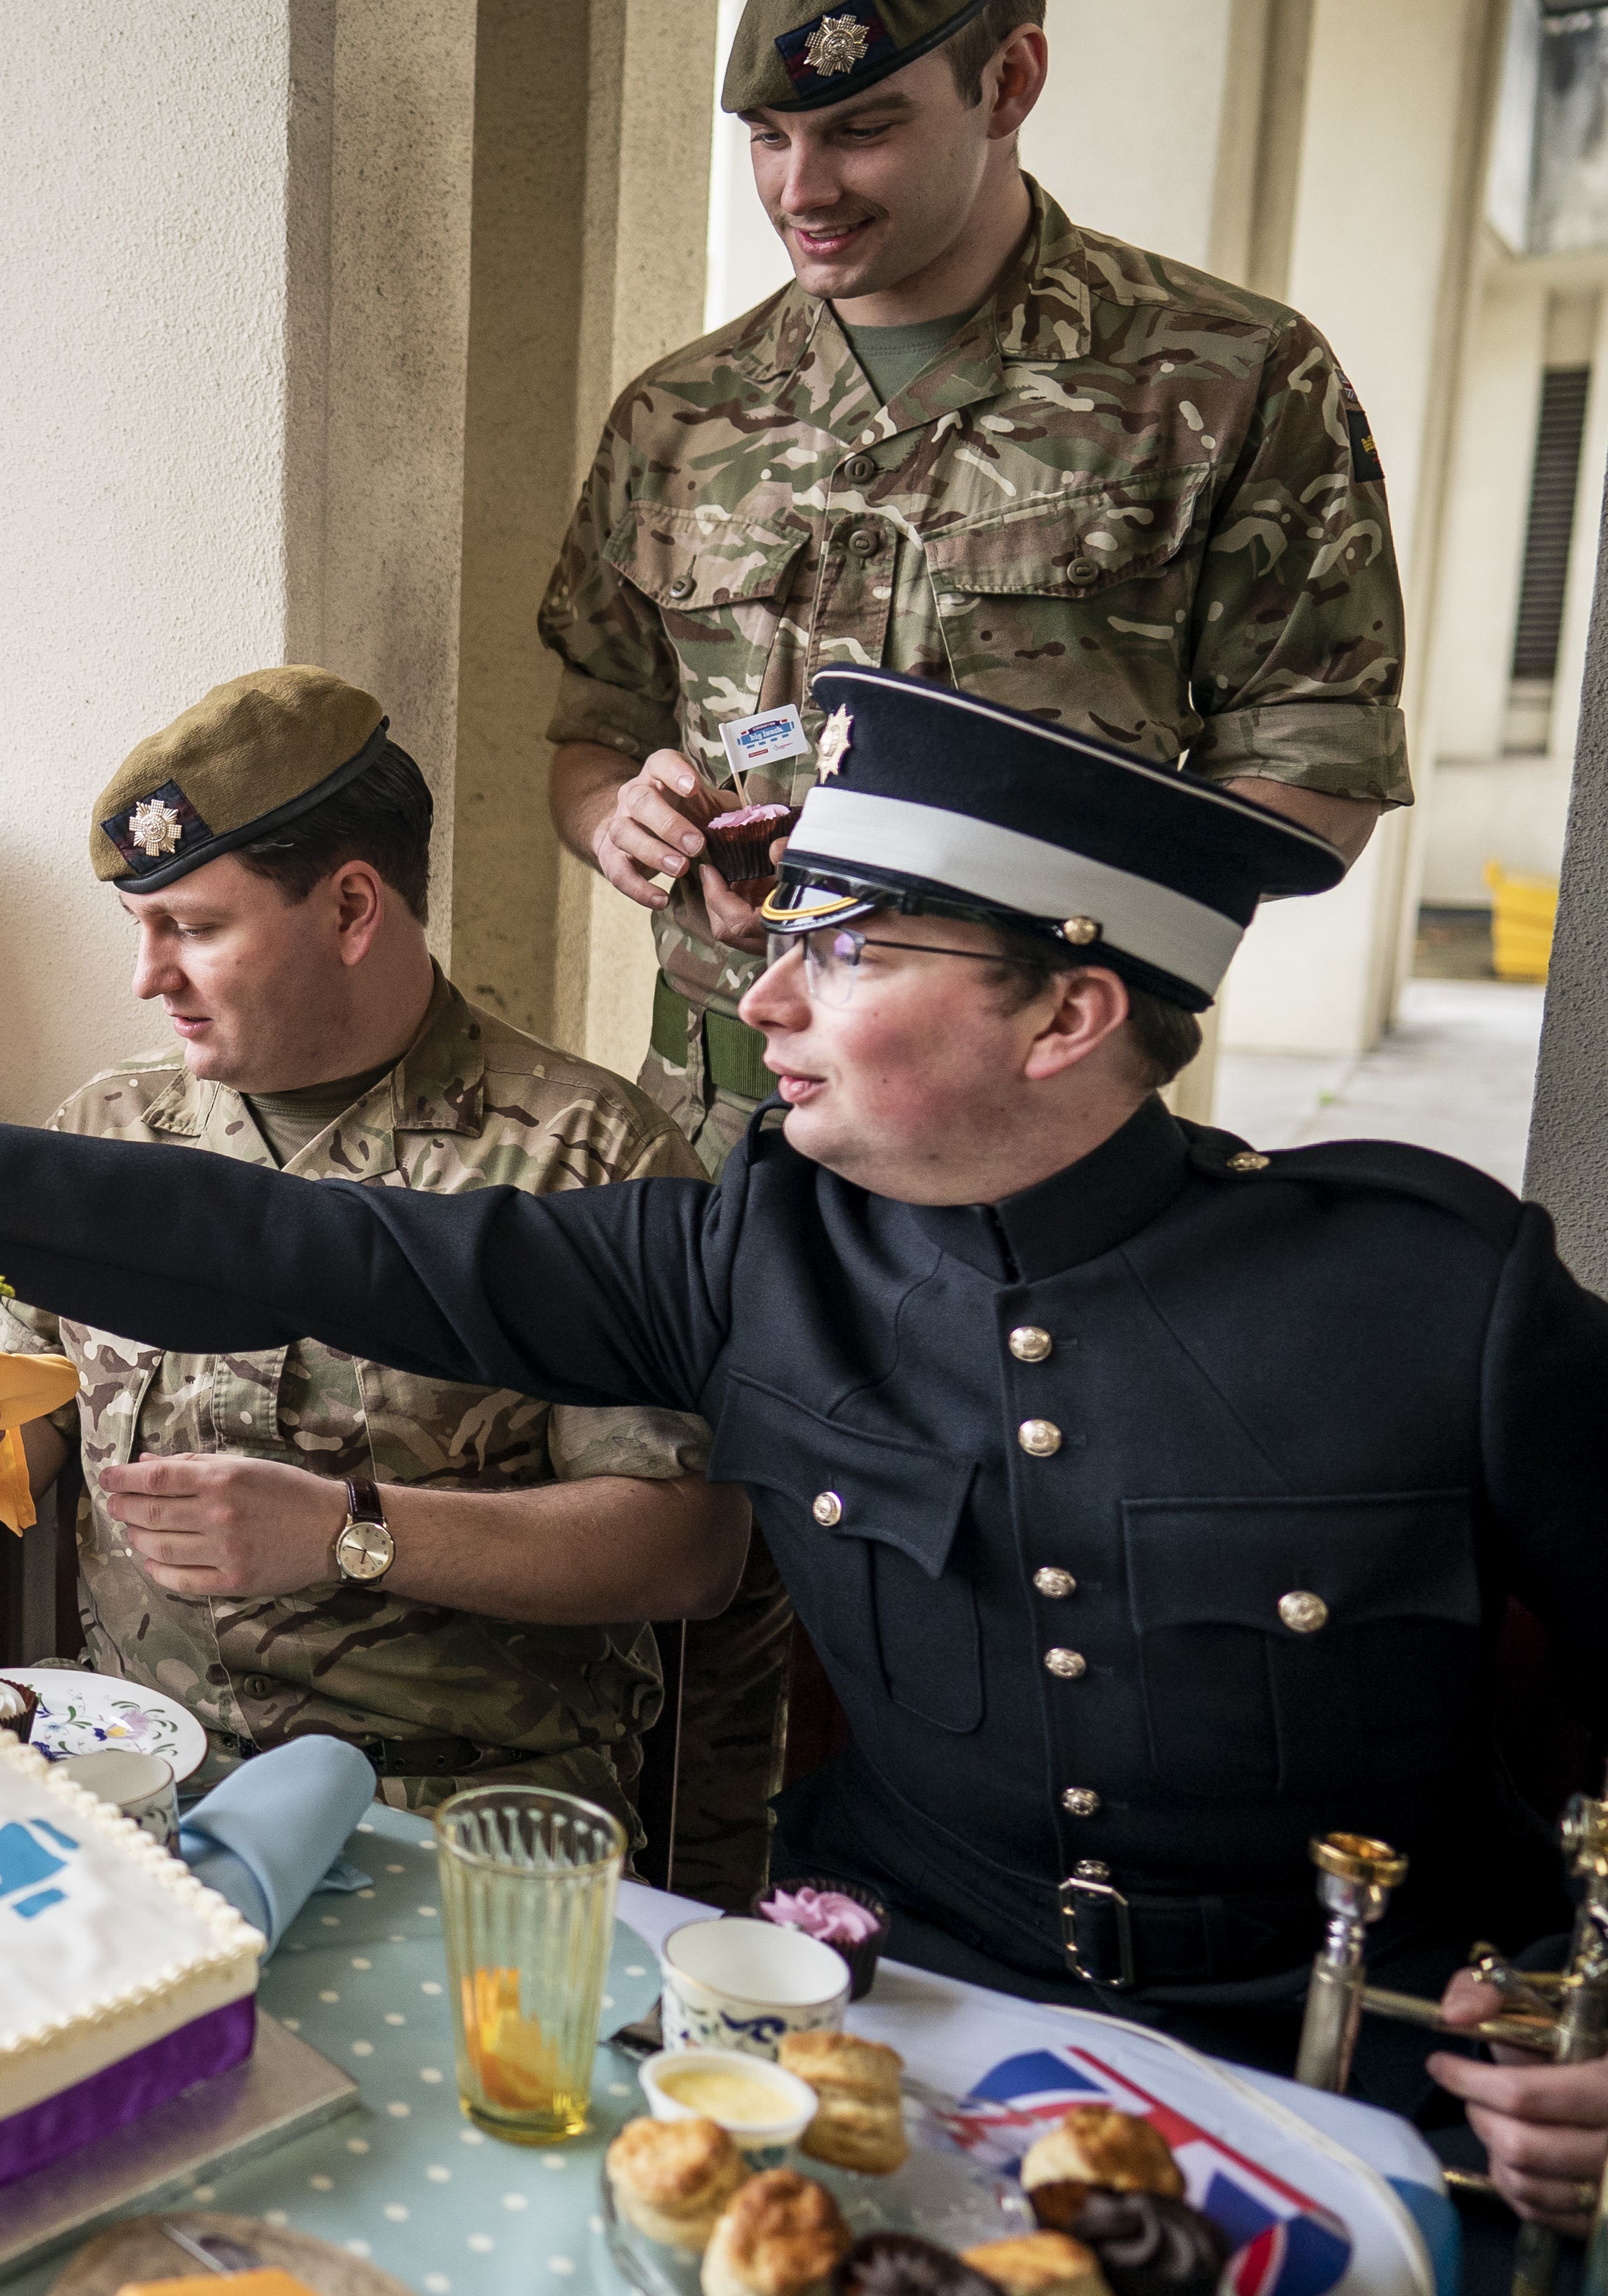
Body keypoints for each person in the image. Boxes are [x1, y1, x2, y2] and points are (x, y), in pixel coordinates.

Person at [0, 663, 1608, 2101]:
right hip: (911, 2052)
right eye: (783, 933)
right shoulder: (756, 1259)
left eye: (856, 953)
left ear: (1072, 1009)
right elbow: (310, 1248)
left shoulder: (1433, 1302)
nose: (771, 996)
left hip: (1367, 2082)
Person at [534, 0, 1415, 1903]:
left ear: (1011, 81)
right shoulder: (683, 416)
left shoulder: (1226, 380)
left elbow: (1316, 774)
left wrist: (1008, 939)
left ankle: (973, 1983)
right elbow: (591, 734)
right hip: (736, 1118)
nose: (799, 187)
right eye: (766, 140)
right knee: (711, 1580)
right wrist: (624, 818)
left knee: (1006, 1604)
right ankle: (713, 1964)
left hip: (1042, 1144)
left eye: (854, 131)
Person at [0, 669, 751, 1843]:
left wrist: (349, 1529)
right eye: (140, 927)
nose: (148, 977)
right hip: (138, 1781)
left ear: (349, 909)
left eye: (195, 927)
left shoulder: (584, 1158)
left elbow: (690, 1548)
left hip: (455, 1810)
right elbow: (14, 1425)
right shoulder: (108, 1140)